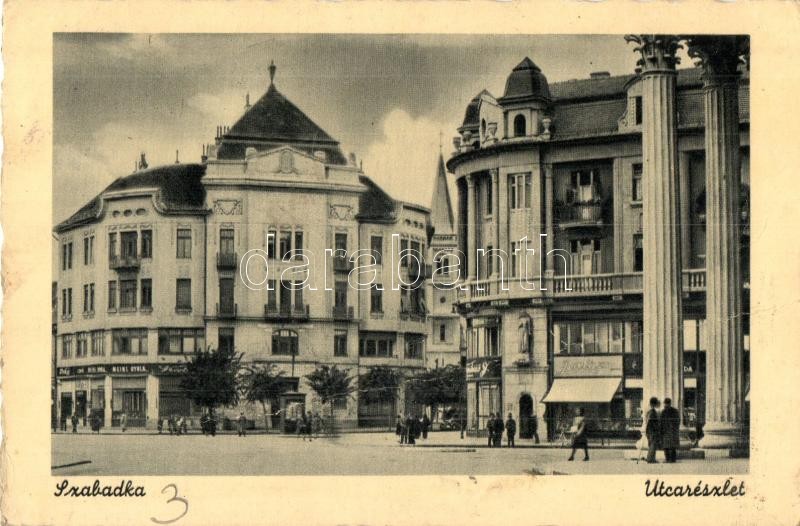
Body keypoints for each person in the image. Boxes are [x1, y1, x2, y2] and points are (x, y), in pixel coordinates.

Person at [660, 397, 680, 463]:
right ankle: (670, 459)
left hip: (669, 431)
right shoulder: (673, 411)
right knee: (668, 446)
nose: (665, 405)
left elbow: (677, 421)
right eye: (665, 404)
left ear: (669, 404)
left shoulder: (665, 411)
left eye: (666, 404)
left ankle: (670, 459)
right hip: (668, 431)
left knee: (670, 446)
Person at [645, 397, 661, 464]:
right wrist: (657, 428)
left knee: (652, 444)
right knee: (653, 445)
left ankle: (651, 458)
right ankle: (650, 459)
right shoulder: (653, 412)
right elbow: (651, 423)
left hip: (650, 431)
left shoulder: (649, 411)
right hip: (652, 431)